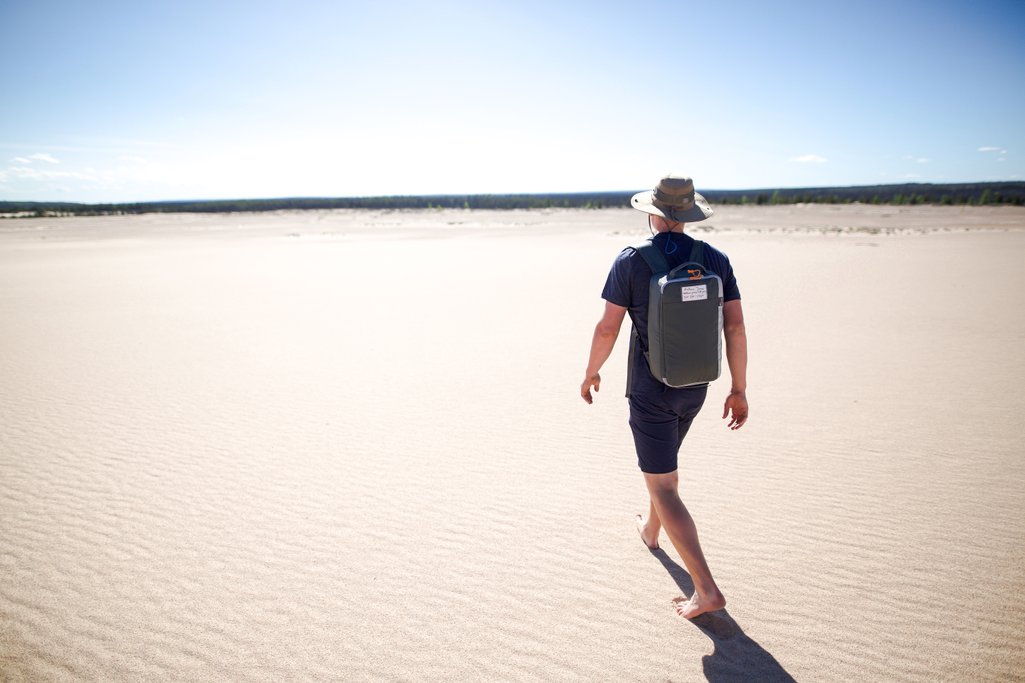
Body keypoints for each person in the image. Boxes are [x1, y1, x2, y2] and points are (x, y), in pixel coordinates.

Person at [580, 173, 748, 620]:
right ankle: (652, 531)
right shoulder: (715, 258)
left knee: (664, 483)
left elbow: (607, 327)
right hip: (697, 385)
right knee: (664, 465)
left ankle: (707, 589)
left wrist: (591, 371)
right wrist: (739, 388)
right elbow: (734, 326)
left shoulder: (632, 260)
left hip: (651, 389)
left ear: (654, 213)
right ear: (689, 214)